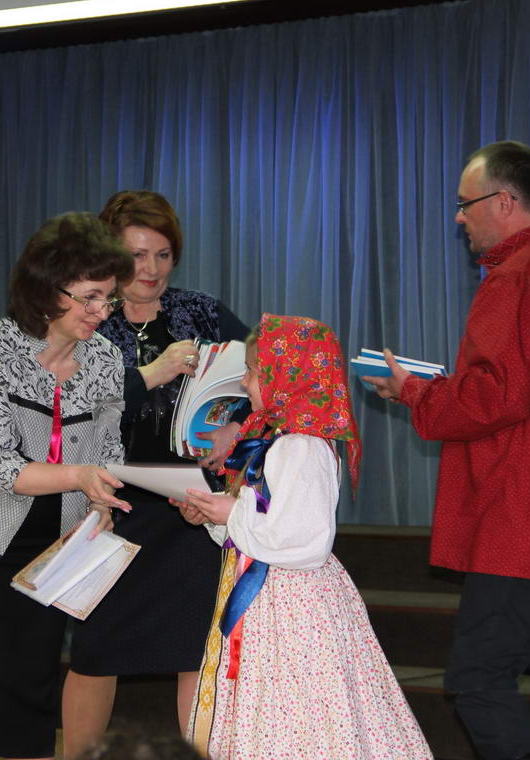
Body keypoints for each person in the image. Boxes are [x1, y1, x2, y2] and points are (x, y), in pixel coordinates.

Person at [365, 141, 530, 760]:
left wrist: (414, 390)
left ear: (504, 202)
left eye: (465, 203)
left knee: (477, 680)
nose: (458, 217)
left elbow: (498, 397)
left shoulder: (520, 276)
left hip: (521, 520)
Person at [0, 212, 134, 760]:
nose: (101, 312)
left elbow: (108, 446)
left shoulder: (106, 359)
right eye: (89, 297)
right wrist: (80, 476)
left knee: (31, 685)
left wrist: (102, 499)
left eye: (108, 298)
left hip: (50, 545)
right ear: (47, 289)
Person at [178, 314, 431, 759]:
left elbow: (306, 542)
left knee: (302, 710)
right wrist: (216, 517)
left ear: (289, 376)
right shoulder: (277, 439)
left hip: (295, 606)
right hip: (268, 600)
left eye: (253, 371)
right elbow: (264, 523)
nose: (244, 381)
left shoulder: (303, 446)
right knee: (272, 707)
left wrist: (231, 512)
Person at [63, 190, 249, 757]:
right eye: (137, 255)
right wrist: (153, 371)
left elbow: (258, 386)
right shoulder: (87, 319)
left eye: (163, 255)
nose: (150, 269)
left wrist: (234, 430)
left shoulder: (205, 313)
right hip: (110, 505)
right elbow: (68, 404)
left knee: (193, 650)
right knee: (95, 653)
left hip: (191, 510)